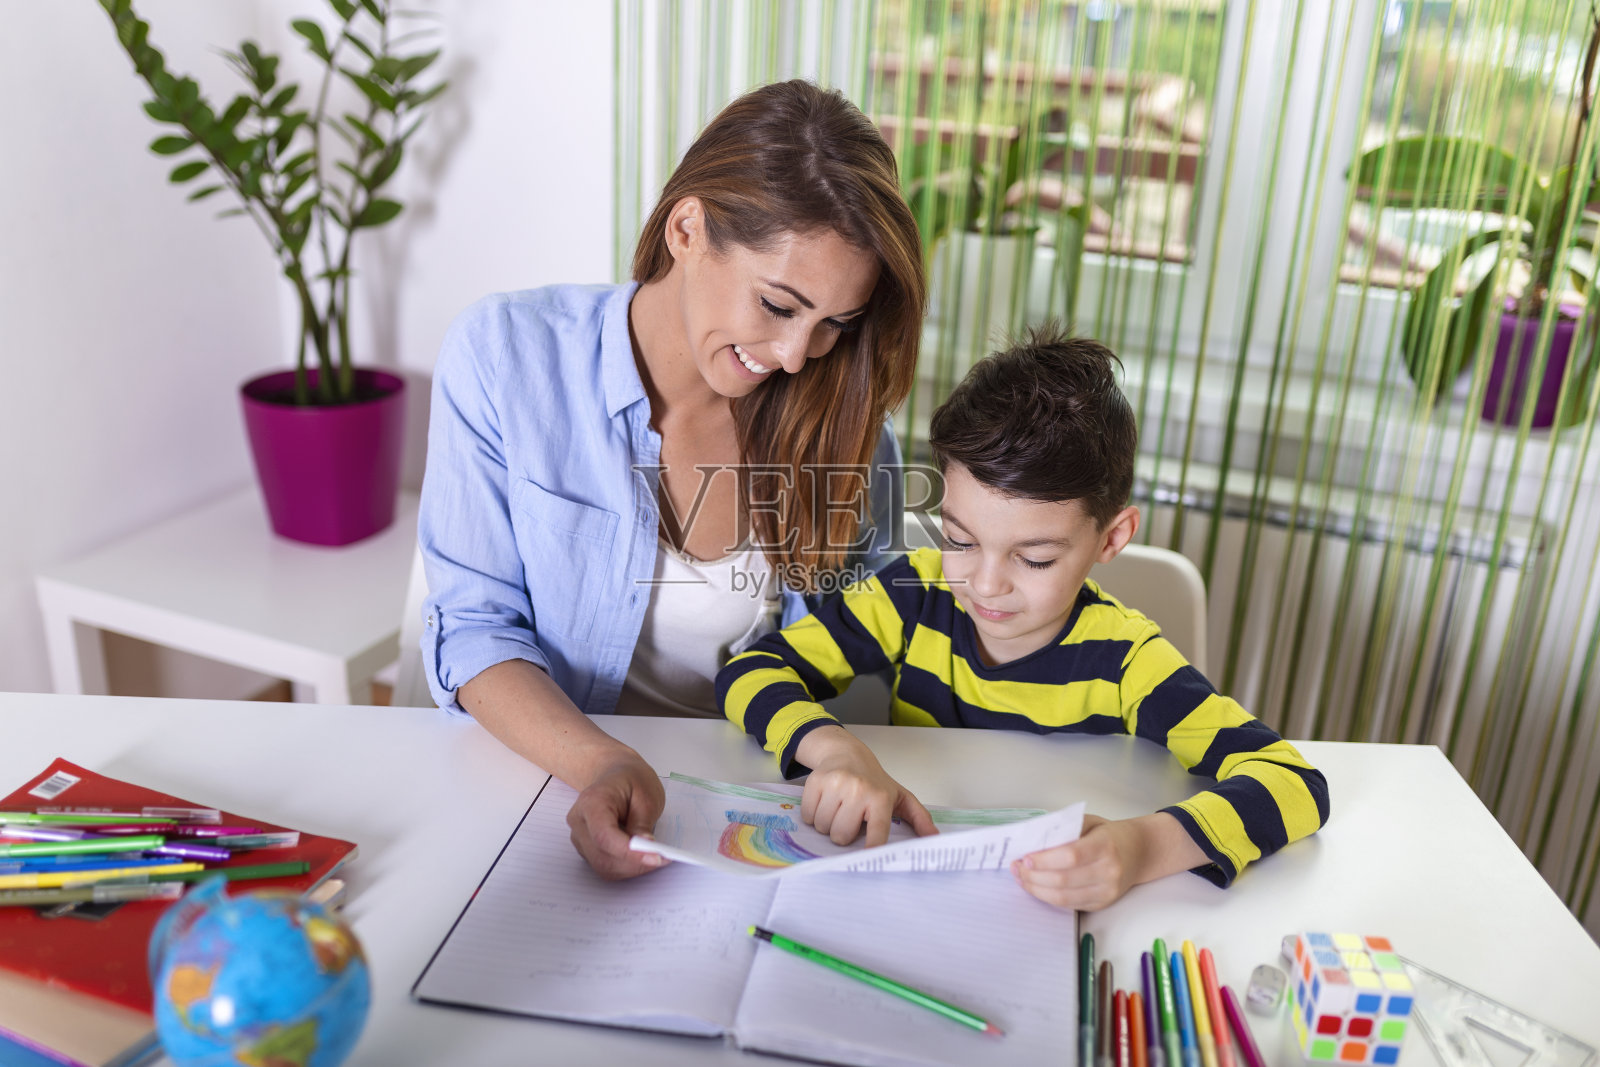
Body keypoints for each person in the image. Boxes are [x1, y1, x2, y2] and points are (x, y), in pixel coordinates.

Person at [418, 80, 925, 881]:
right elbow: (475, 627)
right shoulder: (506, 357)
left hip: (754, 817)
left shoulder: (848, 432)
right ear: (687, 229)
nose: (797, 356)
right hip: (540, 783)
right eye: (778, 305)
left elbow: (877, 649)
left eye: (834, 323)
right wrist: (603, 763)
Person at [717, 325, 1330, 911]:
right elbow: (753, 670)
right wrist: (834, 752)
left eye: (1034, 559)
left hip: (1056, 902)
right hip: (918, 888)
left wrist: (1142, 848)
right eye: (959, 540)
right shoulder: (914, 594)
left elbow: (1293, 783)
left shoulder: (1126, 662)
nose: (985, 584)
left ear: (1111, 538)